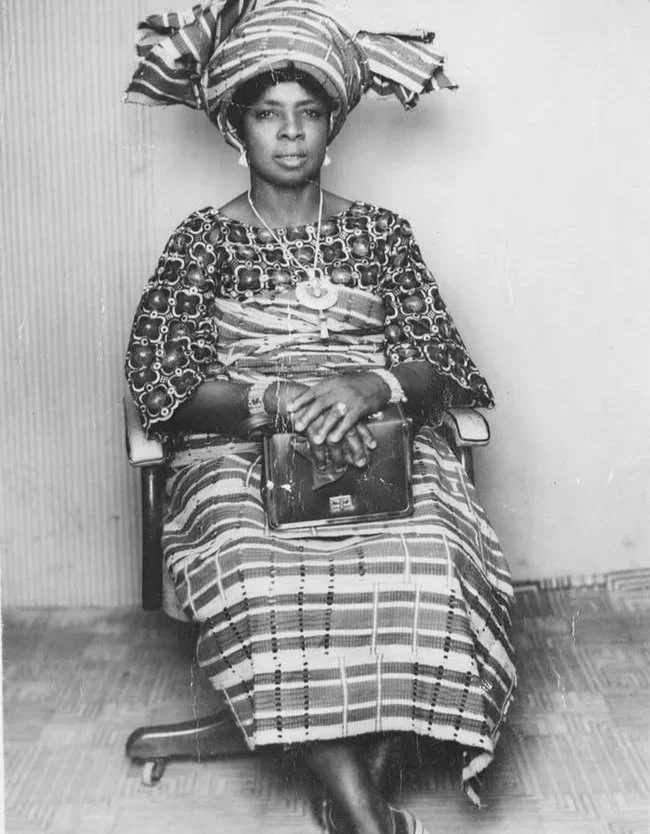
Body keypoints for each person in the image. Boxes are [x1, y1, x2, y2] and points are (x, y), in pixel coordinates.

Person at [124, 2, 516, 832]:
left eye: (308, 114)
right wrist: (273, 401)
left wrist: (370, 387)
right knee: (257, 562)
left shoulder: (382, 234)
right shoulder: (202, 241)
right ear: (238, 129)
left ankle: (344, 789)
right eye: (269, 115)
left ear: (333, 124)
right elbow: (161, 380)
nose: (291, 134)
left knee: (433, 553)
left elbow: (439, 359)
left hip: (382, 440)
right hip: (239, 449)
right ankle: (361, 808)